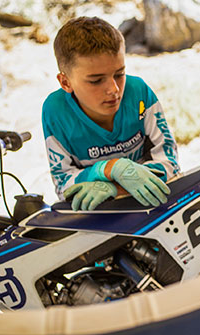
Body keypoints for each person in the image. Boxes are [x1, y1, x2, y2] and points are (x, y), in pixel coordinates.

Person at [42, 17, 180, 211]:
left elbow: (170, 162)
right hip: (100, 215)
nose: (114, 89)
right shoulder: (55, 111)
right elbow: (63, 184)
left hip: (151, 203)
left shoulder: (139, 93)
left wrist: (115, 188)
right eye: (96, 80)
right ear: (66, 83)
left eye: (119, 74)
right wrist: (109, 168)